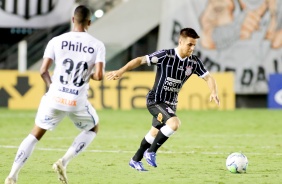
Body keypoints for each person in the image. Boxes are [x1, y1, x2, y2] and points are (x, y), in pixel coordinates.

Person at [5, 5, 105, 184]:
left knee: (34, 135)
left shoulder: (56, 41)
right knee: (93, 128)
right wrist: (87, 74)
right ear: (89, 22)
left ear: (73, 20)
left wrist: (53, 87)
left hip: (54, 97)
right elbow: (98, 75)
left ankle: (12, 176)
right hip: (76, 100)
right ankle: (63, 161)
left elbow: (43, 71)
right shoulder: (97, 45)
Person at [106, 27, 220, 171]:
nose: (192, 48)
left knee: (154, 132)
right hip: (156, 100)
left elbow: (208, 77)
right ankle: (151, 152)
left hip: (171, 104)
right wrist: (121, 71)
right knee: (174, 123)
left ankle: (135, 160)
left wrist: (213, 92)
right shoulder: (165, 55)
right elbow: (140, 60)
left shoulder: (194, 62)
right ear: (180, 41)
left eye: (194, 45)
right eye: (189, 44)